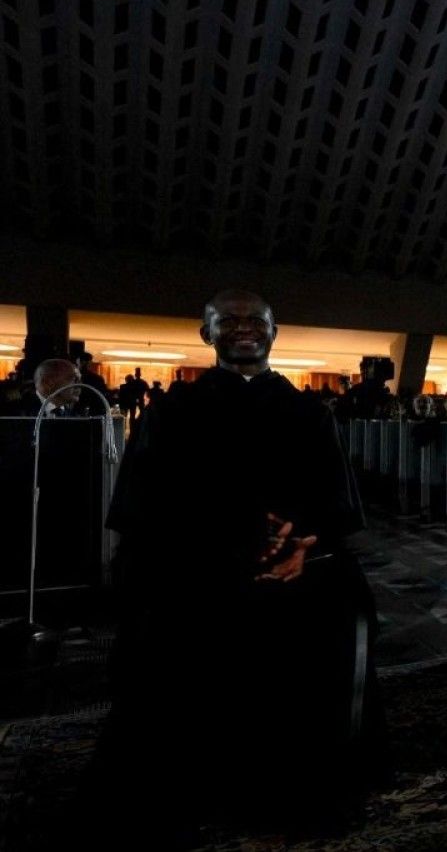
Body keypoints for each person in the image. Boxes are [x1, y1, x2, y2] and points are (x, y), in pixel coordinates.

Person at [92, 290, 380, 836]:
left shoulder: (309, 413)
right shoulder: (172, 413)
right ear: (208, 334)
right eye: (229, 321)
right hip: (195, 569)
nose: (244, 328)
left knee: (343, 606)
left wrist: (306, 546)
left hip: (297, 566)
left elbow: (334, 502)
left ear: (274, 333)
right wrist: (217, 550)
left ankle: (304, 781)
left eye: (257, 321)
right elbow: (144, 508)